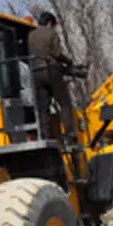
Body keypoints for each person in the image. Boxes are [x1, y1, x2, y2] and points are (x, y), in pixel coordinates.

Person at [28, 12, 76, 141]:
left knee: (43, 108)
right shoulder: (51, 34)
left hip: (35, 73)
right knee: (65, 103)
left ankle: (46, 137)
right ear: (50, 23)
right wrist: (69, 62)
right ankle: (70, 135)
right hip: (50, 70)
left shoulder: (31, 35)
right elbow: (57, 53)